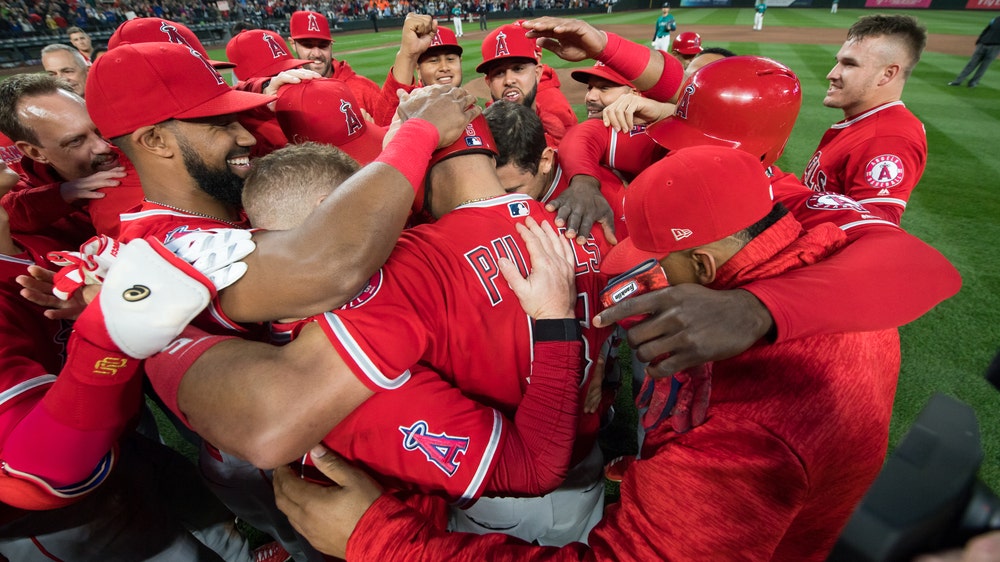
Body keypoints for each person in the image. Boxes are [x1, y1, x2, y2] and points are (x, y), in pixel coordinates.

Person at [268, 146, 918, 561]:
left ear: (700, 258)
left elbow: (549, 482)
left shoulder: (744, 427)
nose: (651, 277)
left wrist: (380, 541)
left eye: (660, 263)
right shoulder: (820, 251)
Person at [143, 113, 615, 547]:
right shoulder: (569, 217)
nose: (388, 210)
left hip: (508, 506)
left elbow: (533, 468)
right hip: (574, 455)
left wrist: (149, 329)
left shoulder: (375, 312)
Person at [801, 14, 927, 224]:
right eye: (838, 62)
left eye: (849, 64)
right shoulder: (866, 122)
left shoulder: (887, 138)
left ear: (887, 74)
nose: (832, 74)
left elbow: (873, 227)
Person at [0, 74, 139, 244]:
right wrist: (62, 194)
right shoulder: (29, 196)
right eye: (75, 141)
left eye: (98, 129)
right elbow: (7, 212)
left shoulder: (138, 152)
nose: (102, 146)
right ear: (35, 153)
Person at [477, 22, 578, 147]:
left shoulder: (558, 130)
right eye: (499, 73)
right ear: (488, 82)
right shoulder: (478, 139)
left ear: (537, 74)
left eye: (518, 68)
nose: (509, 80)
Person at [286, 10, 390, 124]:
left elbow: (392, 132)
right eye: (308, 45)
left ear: (331, 45)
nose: (316, 53)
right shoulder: (287, 94)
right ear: (293, 45)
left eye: (323, 45)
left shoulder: (364, 89)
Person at [948, 16, 1000, 88]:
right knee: (971, 64)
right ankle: (957, 81)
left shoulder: (996, 19)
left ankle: (973, 82)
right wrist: (979, 40)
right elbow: (986, 30)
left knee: (984, 66)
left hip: (995, 47)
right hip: (983, 44)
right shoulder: (996, 19)